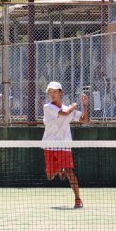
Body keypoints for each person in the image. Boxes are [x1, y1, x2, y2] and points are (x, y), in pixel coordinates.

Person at [42, 81, 88, 209]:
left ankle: (78, 199)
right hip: (49, 145)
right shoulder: (48, 107)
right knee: (50, 176)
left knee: (69, 171)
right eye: (50, 92)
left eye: (55, 91)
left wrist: (84, 105)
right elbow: (66, 112)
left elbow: (84, 120)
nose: (52, 94)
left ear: (60, 93)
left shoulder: (68, 108)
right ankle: (59, 169)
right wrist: (74, 105)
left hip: (64, 145)